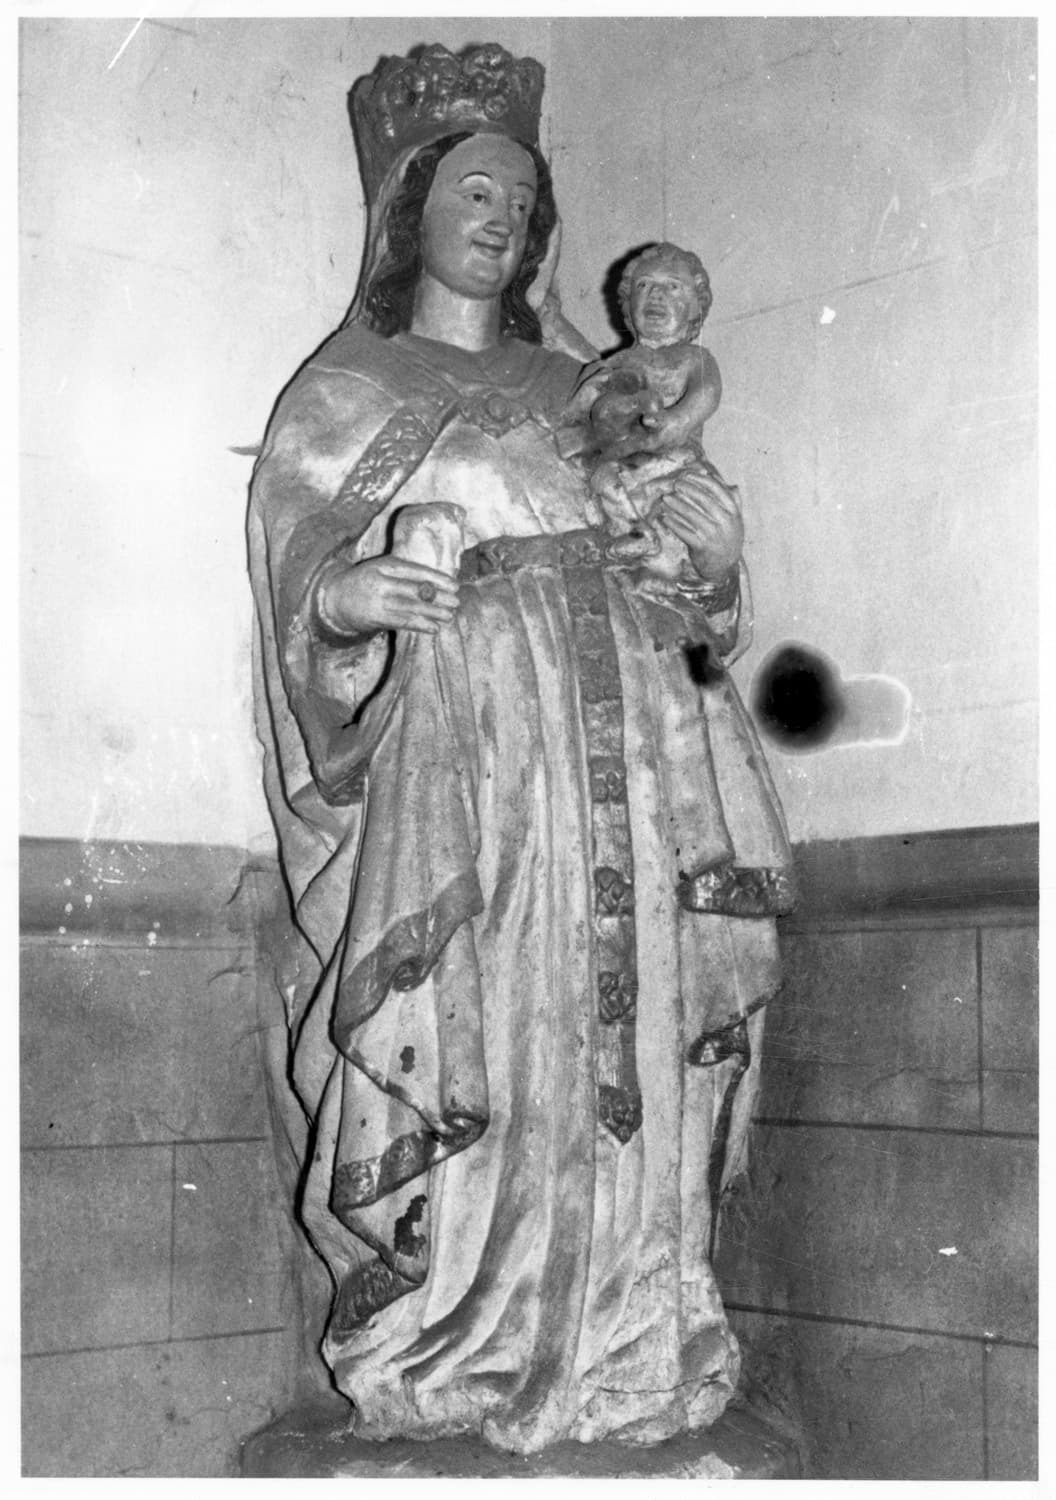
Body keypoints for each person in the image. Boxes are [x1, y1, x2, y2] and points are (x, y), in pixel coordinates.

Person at [248, 43, 794, 1455]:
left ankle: (633, 1337)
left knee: (626, 1029)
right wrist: (348, 596)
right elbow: (301, 583)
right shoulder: (346, 388)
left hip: (630, 761)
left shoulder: (588, 387)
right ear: (410, 209)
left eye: (522, 197)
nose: (502, 217)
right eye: (474, 191)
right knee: (495, 1034)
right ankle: (456, 1342)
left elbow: (672, 577)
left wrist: (712, 567)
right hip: (470, 775)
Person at [559, 241, 725, 584]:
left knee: (678, 519)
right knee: (603, 482)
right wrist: (581, 409)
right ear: (627, 303)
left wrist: (678, 420)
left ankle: (657, 553)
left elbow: (706, 393)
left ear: (697, 306)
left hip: (673, 458)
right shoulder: (618, 362)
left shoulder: (693, 358)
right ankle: (635, 534)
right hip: (622, 459)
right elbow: (581, 407)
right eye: (644, 285)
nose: (656, 295)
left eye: (673, 287)